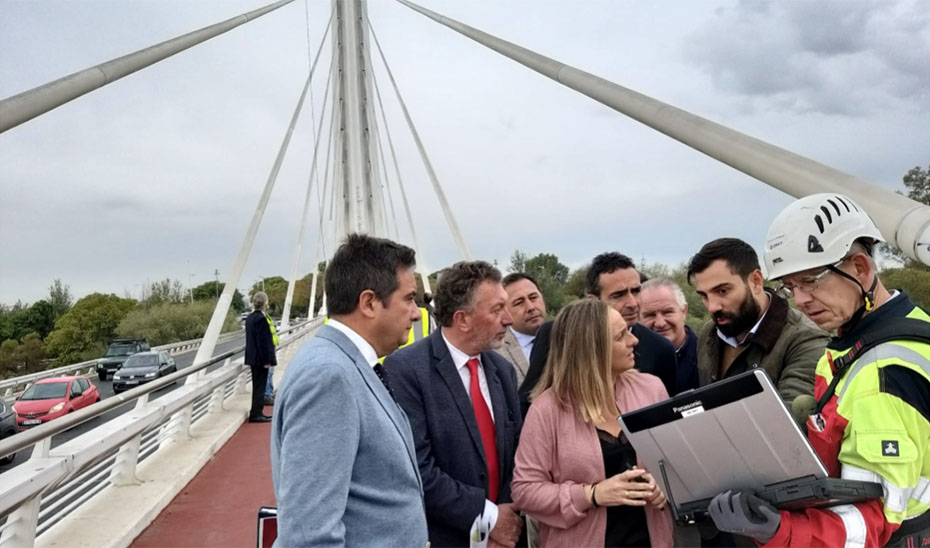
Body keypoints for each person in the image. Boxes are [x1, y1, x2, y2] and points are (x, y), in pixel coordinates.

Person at [708, 193, 930, 547]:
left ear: (860, 267)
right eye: (790, 286)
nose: (799, 300)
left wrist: (778, 530)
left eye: (811, 281)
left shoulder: (883, 373)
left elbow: (868, 522)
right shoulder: (885, 330)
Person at [270, 234, 429, 547]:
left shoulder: (348, 363)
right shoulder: (328, 376)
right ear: (369, 303)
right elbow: (310, 535)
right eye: (409, 299)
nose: (415, 312)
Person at [383, 261, 524, 548]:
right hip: (445, 537)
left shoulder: (501, 370)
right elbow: (417, 468)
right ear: (462, 319)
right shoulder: (406, 370)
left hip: (506, 536)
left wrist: (505, 516)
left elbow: (519, 453)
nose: (508, 319)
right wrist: (490, 518)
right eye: (497, 310)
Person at [512, 299, 674, 547]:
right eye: (620, 336)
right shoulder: (547, 410)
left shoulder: (651, 389)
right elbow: (524, 491)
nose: (634, 341)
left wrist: (665, 486)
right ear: (592, 349)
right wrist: (592, 494)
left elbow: (676, 462)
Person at [520, 252, 678, 404]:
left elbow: (666, 415)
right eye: (619, 295)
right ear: (592, 300)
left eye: (636, 291)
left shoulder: (660, 349)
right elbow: (529, 400)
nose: (632, 303)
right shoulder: (557, 334)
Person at [687, 238, 827, 406]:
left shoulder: (805, 340)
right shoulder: (709, 333)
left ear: (755, 281)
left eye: (722, 291)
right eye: (704, 296)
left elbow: (789, 422)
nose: (712, 307)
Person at [640, 278, 700, 393]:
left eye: (667, 312)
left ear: (684, 312)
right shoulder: (630, 363)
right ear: (638, 318)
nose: (660, 323)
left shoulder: (708, 356)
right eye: (650, 315)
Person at [499, 273, 547, 385]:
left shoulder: (568, 337)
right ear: (505, 311)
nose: (530, 307)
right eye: (519, 302)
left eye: (533, 297)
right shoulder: (497, 354)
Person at [244, 291, 276, 423]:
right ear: (265, 303)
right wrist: (266, 361)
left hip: (252, 358)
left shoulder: (250, 318)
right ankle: (257, 413)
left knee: (257, 386)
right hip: (260, 359)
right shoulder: (262, 319)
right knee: (260, 388)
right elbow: (263, 342)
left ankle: (256, 412)